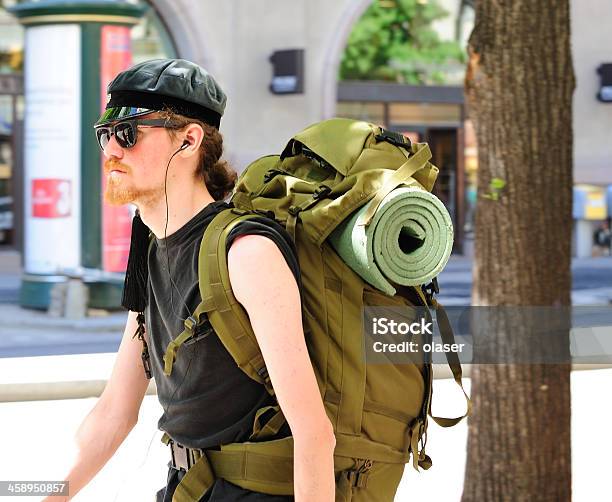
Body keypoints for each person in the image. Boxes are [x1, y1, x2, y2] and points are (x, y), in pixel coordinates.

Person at [46, 59, 335, 501]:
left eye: (129, 133)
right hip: (189, 488)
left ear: (188, 140)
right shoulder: (149, 247)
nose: (111, 151)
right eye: (105, 135)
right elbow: (113, 414)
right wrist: (38, 492)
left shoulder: (247, 252)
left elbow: (314, 433)